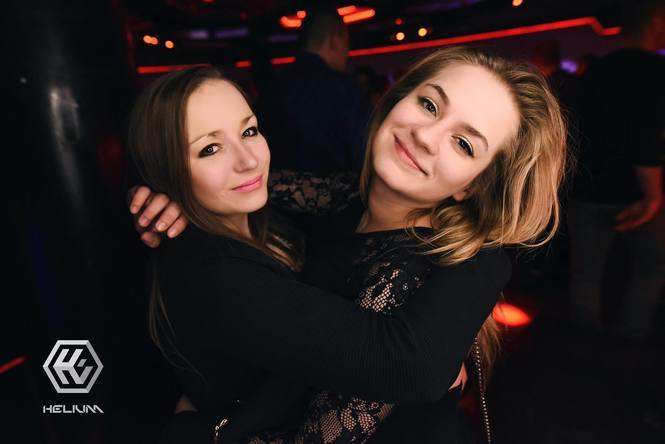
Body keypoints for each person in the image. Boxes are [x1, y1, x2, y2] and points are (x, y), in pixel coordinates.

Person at [128, 46, 568, 442]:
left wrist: (195, 429)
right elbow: (265, 183)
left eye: (464, 144)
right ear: (396, 100)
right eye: (429, 104)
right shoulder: (342, 201)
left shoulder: (414, 274)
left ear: (471, 187)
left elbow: (385, 384)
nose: (426, 136)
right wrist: (172, 190)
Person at [568, 0, 665, 341]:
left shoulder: (595, 71)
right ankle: (628, 343)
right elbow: (646, 138)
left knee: (586, 275)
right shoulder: (656, 72)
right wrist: (654, 195)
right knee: (649, 271)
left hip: (588, 189)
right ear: (655, 22)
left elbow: (574, 133)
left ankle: (584, 349)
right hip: (638, 195)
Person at [257, 7, 371, 172]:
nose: (348, 51)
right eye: (347, 42)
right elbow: (362, 154)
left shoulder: (273, 86)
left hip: (281, 185)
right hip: (338, 186)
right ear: (335, 41)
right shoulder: (345, 89)